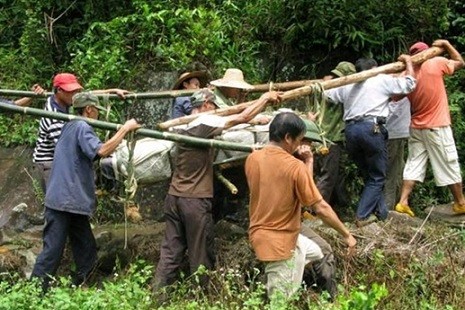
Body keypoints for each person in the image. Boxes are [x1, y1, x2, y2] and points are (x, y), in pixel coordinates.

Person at [154, 88, 282, 289]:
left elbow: (233, 122)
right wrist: (265, 98)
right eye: (214, 107)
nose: (216, 110)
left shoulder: (182, 125)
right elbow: (241, 116)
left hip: (174, 197)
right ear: (206, 105)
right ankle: (203, 296)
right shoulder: (204, 122)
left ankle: (157, 295)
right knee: (201, 252)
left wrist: (253, 122)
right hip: (194, 201)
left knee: (171, 251)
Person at [30, 92, 140, 291]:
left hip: (71, 200)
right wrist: (125, 129)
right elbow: (101, 151)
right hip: (65, 201)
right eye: (96, 110)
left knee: (86, 246)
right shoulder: (81, 126)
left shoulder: (69, 125)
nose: (97, 113)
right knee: (53, 250)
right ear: (89, 109)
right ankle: (35, 290)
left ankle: (84, 283)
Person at [245, 112, 356, 299]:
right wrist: (347, 235)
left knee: (319, 252)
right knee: (279, 302)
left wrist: (307, 161)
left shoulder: (252, 158)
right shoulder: (294, 167)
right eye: (298, 140)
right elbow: (319, 207)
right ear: (288, 138)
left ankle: (319, 295)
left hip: (263, 233)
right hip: (280, 241)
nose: (299, 145)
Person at [326, 56, 416, 226]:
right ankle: (362, 216)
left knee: (371, 175)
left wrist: (327, 81)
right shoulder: (381, 79)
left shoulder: (347, 83)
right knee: (377, 176)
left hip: (351, 131)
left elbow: (328, 95)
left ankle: (381, 214)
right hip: (372, 129)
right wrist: (409, 63)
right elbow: (409, 84)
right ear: (375, 68)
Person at [395, 40, 465, 216]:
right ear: (428, 53)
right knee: (448, 162)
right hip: (436, 125)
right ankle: (460, 202)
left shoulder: (406, 74)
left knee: (414, 163)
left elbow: (395, 97)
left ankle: (403, 202)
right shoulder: (435, 62)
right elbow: (460, 62)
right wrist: (447, 45)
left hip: (417, 127)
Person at [32, 72, 129, 193]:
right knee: (57, 200)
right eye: (71, 91)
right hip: (49, 162)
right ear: (59, 90)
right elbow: (69, 149)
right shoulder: (54, 116)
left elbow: (86, 96)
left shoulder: (62, 100)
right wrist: (101, 148)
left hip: (60, 156)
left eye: (76, 91)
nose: (75, 95)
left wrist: (112, 91)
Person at [312, 61, 356, 209]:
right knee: (328, 176)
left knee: (335, 174)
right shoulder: (338, 91)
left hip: (322, 138)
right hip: (331, 138)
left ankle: (340, 206)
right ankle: (315, 211)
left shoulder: (324, 88)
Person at [384, 97, 411, 211]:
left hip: (397, 132)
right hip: (392, 132)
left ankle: (395, 205)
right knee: (391, 172)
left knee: (398, 170)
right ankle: (387, 209)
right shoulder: (396, 83)